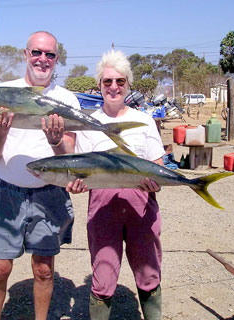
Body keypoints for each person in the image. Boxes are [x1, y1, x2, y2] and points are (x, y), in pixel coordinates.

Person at [0, 31, 80, 320]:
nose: (43, 59)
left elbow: (68, 156)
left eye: (49, 54)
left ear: (57, 60)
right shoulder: (3, 93)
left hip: (49, 193)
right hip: (6, 193)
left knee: (43, 269)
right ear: (25, 55)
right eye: (37, 52)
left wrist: (54, 140)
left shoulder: (66, 99)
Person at [69, 50, 165, 320]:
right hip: (103, 211)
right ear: (99, 85)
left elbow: (157, 164)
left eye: (120, 81)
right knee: (103, 277)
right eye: (107, 81)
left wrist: (155, 184)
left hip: (142, 209)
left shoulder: (145, 120)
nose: (113, 87)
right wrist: (78, 185)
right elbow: (83, 171)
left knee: (149, 274)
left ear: (128, 84)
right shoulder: (88, 124)